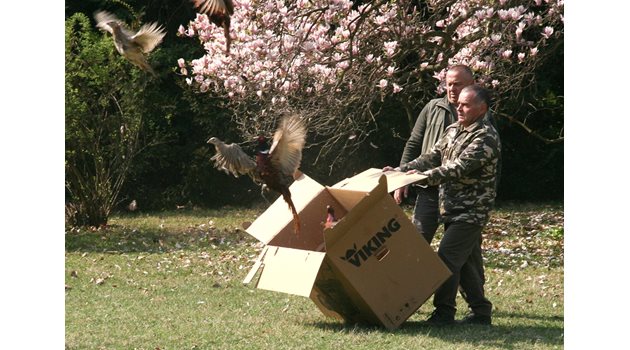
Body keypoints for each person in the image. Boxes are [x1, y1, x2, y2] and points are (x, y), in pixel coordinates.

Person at [383, 85, 501, 325]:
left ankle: (444, 312)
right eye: (459, 104)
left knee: (447, 258)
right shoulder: (453, 129)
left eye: (466, 104)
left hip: (471, 212)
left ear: (482, 108)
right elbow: (432, 156)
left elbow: (458, 167)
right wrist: (401, 170)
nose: (459, 107)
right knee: (466, 264)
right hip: (450, 207)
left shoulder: (486, 137)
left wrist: (422, 177)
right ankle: (481, 313)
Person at [395, 65, 476, 244]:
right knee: (416, 244)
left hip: (462, 195)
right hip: (429, 190)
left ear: (472, 84)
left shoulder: (480, 115)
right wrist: (400, 177)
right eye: (449, 84)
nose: (452, 89)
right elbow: (414, 143)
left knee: (464, 254)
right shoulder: (433, 107)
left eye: (458, 84)